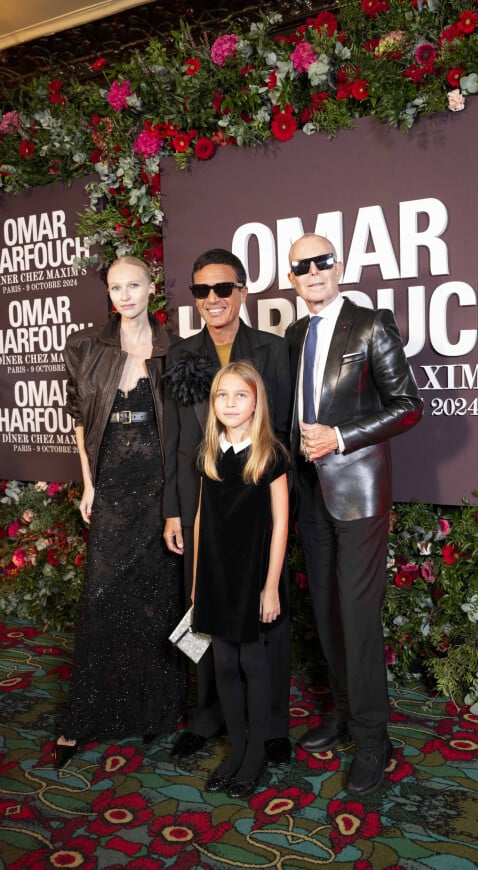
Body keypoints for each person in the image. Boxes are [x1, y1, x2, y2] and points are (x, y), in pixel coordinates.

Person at [285, 233, 423, 796]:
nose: (313, 272)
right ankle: (344, 715)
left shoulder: (371, 324)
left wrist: (341, 437)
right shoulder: (295, 333)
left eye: (322, 261)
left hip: (359, 492)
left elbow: (409, 406)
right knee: (325, 609)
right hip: (308, 492)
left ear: (338, 266)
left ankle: (373, 741)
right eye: (301, 266)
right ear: (292, 277)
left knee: (358, 618)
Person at [54, 256, 186, 768]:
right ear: (109, 292)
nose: (125, 295)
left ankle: (157, 713)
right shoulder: (86, 346)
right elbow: (77, 420)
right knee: (103, 598)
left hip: (159, 487)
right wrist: (88, 485)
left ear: (152, 288)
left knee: (158, 600)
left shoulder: (174, 347)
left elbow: (185, 430)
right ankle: (85, 717)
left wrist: (176, 500)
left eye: (134, 284)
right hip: (110, 485)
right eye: (116, 287)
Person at [162, 248, 292, 765]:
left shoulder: (273, 349)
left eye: (222, 288)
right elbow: (176, 439)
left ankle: (272, 726)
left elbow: (278, 429)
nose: (212, 299)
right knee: (206, 608)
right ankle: (209, 716)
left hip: (259, 501)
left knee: (267, 611)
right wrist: (174, 508)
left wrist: (280, 504)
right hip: (203, 501)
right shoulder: (180, 354)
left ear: (242, 291)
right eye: (201, 291)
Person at [192, 362, 290, 798]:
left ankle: (255, 755)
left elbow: (282, 525)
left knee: (252, 663)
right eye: (222, 396)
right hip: (215, 576)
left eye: (240, 396)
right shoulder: (208, 453)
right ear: (214, 404)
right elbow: (200, 520)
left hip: (253, 577)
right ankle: (236, 749)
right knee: (223, 664)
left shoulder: (271, 454)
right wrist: (197, 581)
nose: (230, 404)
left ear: (256, 402)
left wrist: (270, 586)